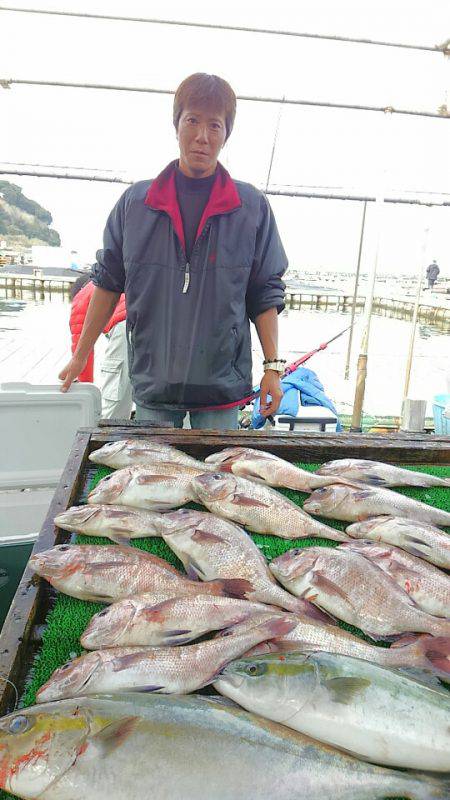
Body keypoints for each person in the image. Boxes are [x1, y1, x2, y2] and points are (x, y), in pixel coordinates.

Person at [59, 73, 288, 429]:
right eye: (192, 120)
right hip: (154, 383)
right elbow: (107, 282)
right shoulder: (135, 203)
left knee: (219, 467)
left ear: (226, 134)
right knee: (151, 464)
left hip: (221, 388)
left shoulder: (251, 207)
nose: (202, 136)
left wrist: (272, 367)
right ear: (176, 124)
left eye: (215, 125)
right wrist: (80, 355)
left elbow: (265, 291)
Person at [69, 274, 132, 419]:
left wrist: (86, 390)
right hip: (149, 323)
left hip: (125, 327)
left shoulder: (81, 298)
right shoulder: (115, 282)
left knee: (114, 403)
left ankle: (112, 432)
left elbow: (82, 351)